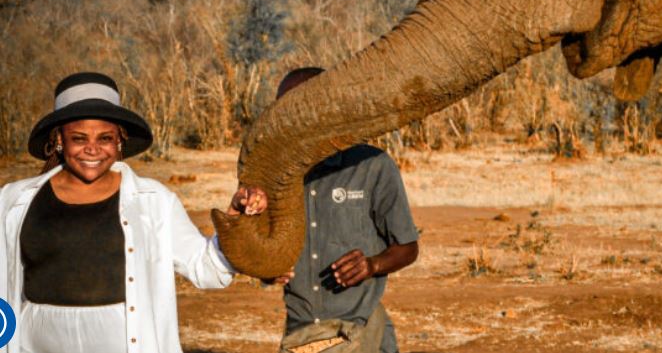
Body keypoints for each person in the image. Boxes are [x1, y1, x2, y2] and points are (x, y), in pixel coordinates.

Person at [0, 71, 266, 353]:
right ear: (59, 140)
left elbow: (207, 269)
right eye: (79, 138)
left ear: (119, 141)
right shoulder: (13, 201)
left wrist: (235, 216)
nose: (92, 149)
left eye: (105, 138)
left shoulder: (153, 201)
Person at [272, 67, 419, 353]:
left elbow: (408, 247)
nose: (284, 120)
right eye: (280, 111)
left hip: (359, 328)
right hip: (301, 333)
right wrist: (268, 270)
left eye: (293, 109)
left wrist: (372, 265)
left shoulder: (371, 166)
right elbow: (264, 252)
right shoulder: (278, 174)